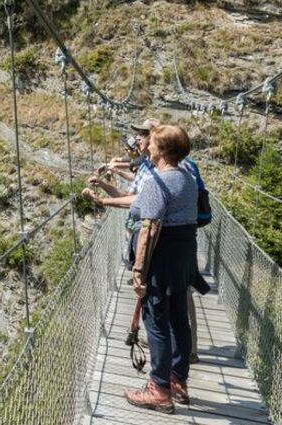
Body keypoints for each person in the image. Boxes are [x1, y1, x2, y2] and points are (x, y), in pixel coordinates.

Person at [125, 125, 198, 413]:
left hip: (162, 257)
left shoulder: (159, 181)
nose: (147, 148)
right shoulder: (188, 178)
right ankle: (178, 380)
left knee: (155, 319)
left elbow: (149, 228)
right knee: (179, 316)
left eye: (152, 144)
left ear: (164, 150)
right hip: (184, 256)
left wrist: (139, 270)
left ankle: (158, 389)